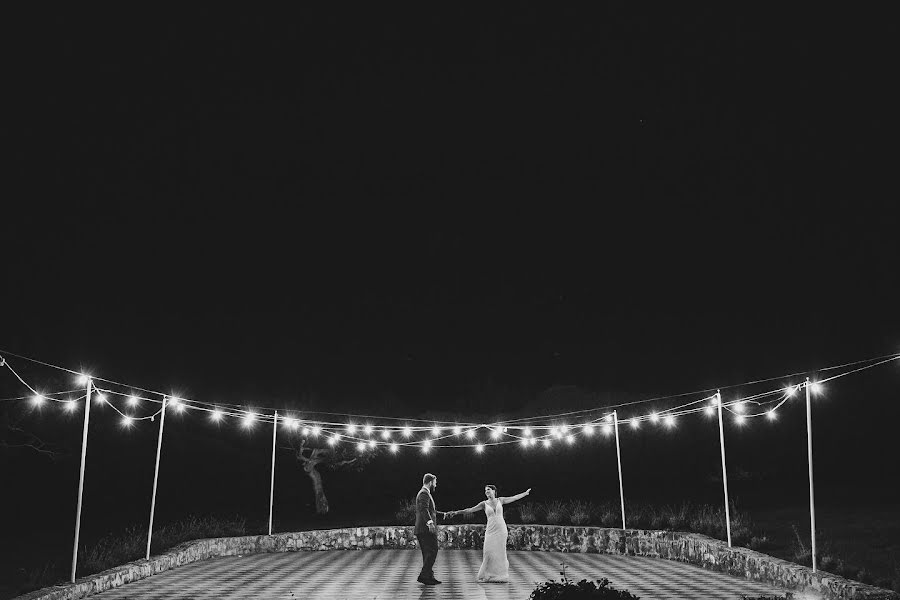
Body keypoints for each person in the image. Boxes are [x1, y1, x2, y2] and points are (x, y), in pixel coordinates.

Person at [446, 485, 531, 583]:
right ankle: (487, 574)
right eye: (485, 490)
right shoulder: (484, 504)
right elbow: (469, 510)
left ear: (494, 491)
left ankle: (500, 575)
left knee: (500, 552)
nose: (486, 492)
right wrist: (456, 512)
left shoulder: (501, 500)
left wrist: (525, 493)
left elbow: (514, 497)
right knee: (488, 552)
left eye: (488, 490)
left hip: (501, 529)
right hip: (491, 530)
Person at [414, 473, 449, 585]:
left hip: (422, 529)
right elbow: (424, 509)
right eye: (435, 482)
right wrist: (430, 524)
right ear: (430, 482)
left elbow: (430, 511)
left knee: (428, 553)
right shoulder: (424, 493)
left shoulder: (424, 493)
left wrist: (443, 514)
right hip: (426, 529)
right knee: (433, 551)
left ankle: (429, 577)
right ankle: (423, 576)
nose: (436, 485)